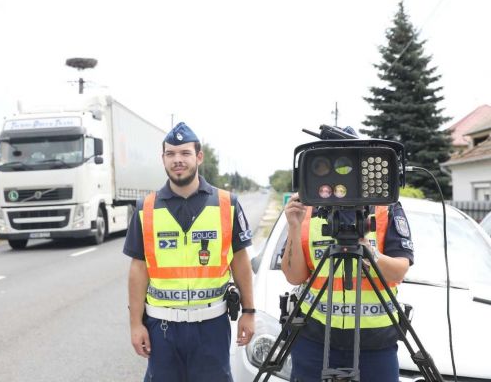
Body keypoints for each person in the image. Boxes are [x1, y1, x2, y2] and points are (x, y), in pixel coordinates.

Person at [124, 122, 255, 382]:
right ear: (163, 159)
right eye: (171, 154)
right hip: (162, 328)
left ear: (199, 156)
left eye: (185, 153)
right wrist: (135, 324)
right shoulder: (145, 208)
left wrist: (249, 312)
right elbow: (138, 269)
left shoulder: (227, 204)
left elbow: (240, 261)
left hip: (211, 326)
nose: (178, 160)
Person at [280, 130, 414, 382]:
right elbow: (294, 276)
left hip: (375, 343)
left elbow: (399, 271)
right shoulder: (306, 210)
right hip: (314, 339)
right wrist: (294, 227)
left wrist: (370, 254)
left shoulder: (386, 208)